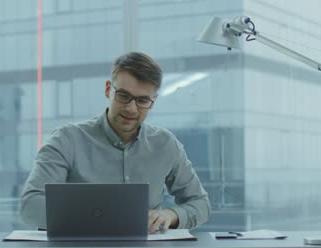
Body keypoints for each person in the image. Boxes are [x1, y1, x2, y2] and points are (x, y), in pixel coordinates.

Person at [21, 52, 210, 233]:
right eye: (123, 95)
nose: (131, 108)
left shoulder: (166, 144)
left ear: (153, 101)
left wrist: (172, 215)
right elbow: (31, 205)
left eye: (142, 100)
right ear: (107, 90)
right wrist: (97, 219)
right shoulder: (66, 139)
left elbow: (200, 205)